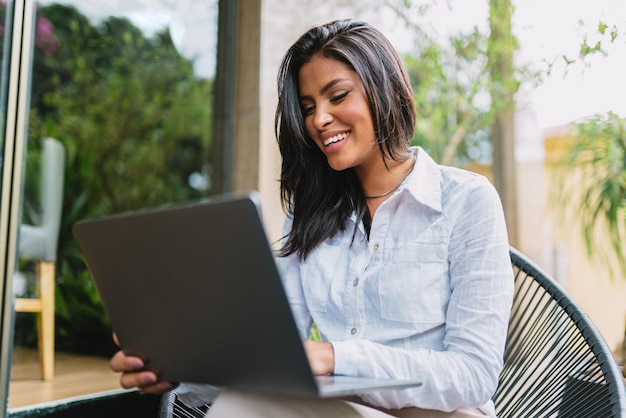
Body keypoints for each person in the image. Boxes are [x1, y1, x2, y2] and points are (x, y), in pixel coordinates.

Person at [110, 19, 514, 418]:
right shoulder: (311, 213)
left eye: (337, 96)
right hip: (337, 409)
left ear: (386, 90)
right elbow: (276, 355)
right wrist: (173, 370)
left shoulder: (466, 201)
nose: (318, 119)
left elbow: (473, 374)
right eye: (307, 107)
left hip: (437, 413)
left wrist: (336, 357)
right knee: (238, 403)